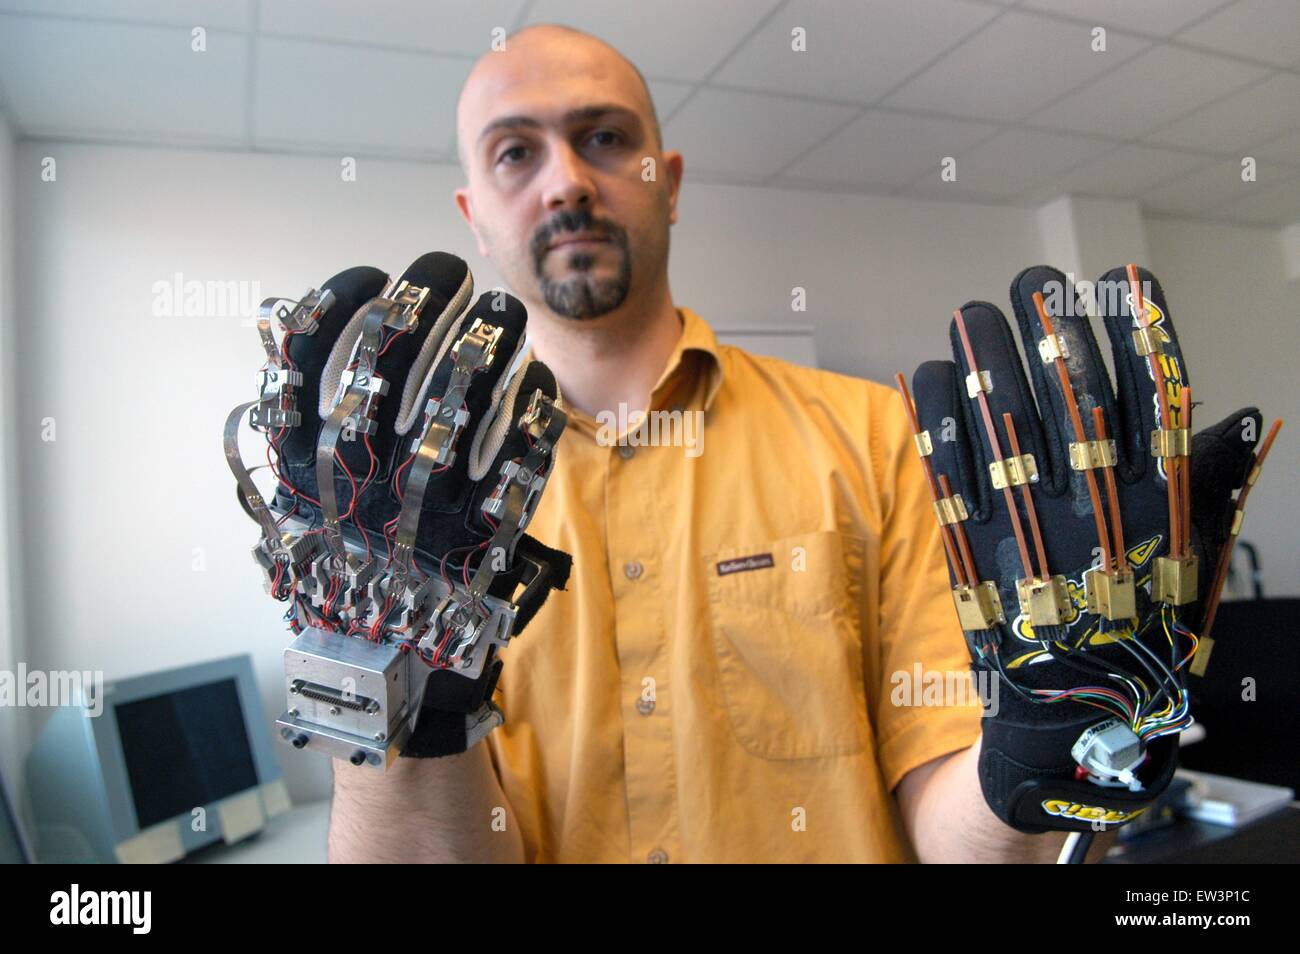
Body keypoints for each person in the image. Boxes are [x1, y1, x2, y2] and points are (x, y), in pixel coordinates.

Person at [327, 22, 1093, 863]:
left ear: (670, 182)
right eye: (516, 153)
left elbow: (961, 836)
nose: (569, 182)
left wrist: (1045, 739)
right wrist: (388, 669)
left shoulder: (875, 439)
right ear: (474, 215)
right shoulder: (411, 505)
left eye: (605, 138)